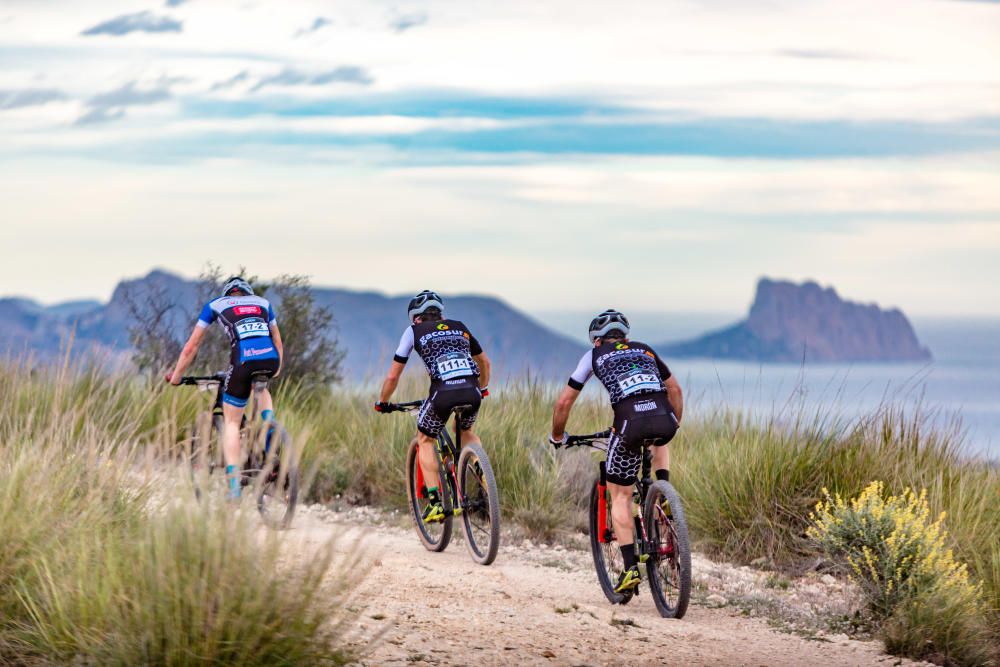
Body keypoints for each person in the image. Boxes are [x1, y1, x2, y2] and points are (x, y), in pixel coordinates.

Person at [549, 309, 683, 594]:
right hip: (663, 419)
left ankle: (630, 568)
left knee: (620, 494)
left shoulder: (593, 356)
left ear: (596, 341)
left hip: (628, 426)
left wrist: (557, 436)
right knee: (659, 435)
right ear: (626, 337)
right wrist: (675, 424)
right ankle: (663, 490)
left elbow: (563, 404)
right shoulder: (645, 349)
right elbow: (676, 391)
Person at [375, 290, 491, 523]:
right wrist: (483, 388)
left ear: (415, 318)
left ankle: (436, 502)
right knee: (465, 431)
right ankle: (482, 470)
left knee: (425, 438)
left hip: (442, 394)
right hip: (472, 391)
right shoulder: (459, 326)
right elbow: (484, 362)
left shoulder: (413, 331)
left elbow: (392, 376)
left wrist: (383, 402)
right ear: (439, 314)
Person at [167, 276, 283, 500]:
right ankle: (270, 430)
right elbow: (277, 340)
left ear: (228, 294)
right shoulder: (263, 303)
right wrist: (276, 369)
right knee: (260, 387)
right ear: (248, 293)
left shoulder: (215, 304)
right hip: (270, 358)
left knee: (231, 421)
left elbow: (191, 347)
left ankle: (234, 488)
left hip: (243, 359)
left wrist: (176, 377)